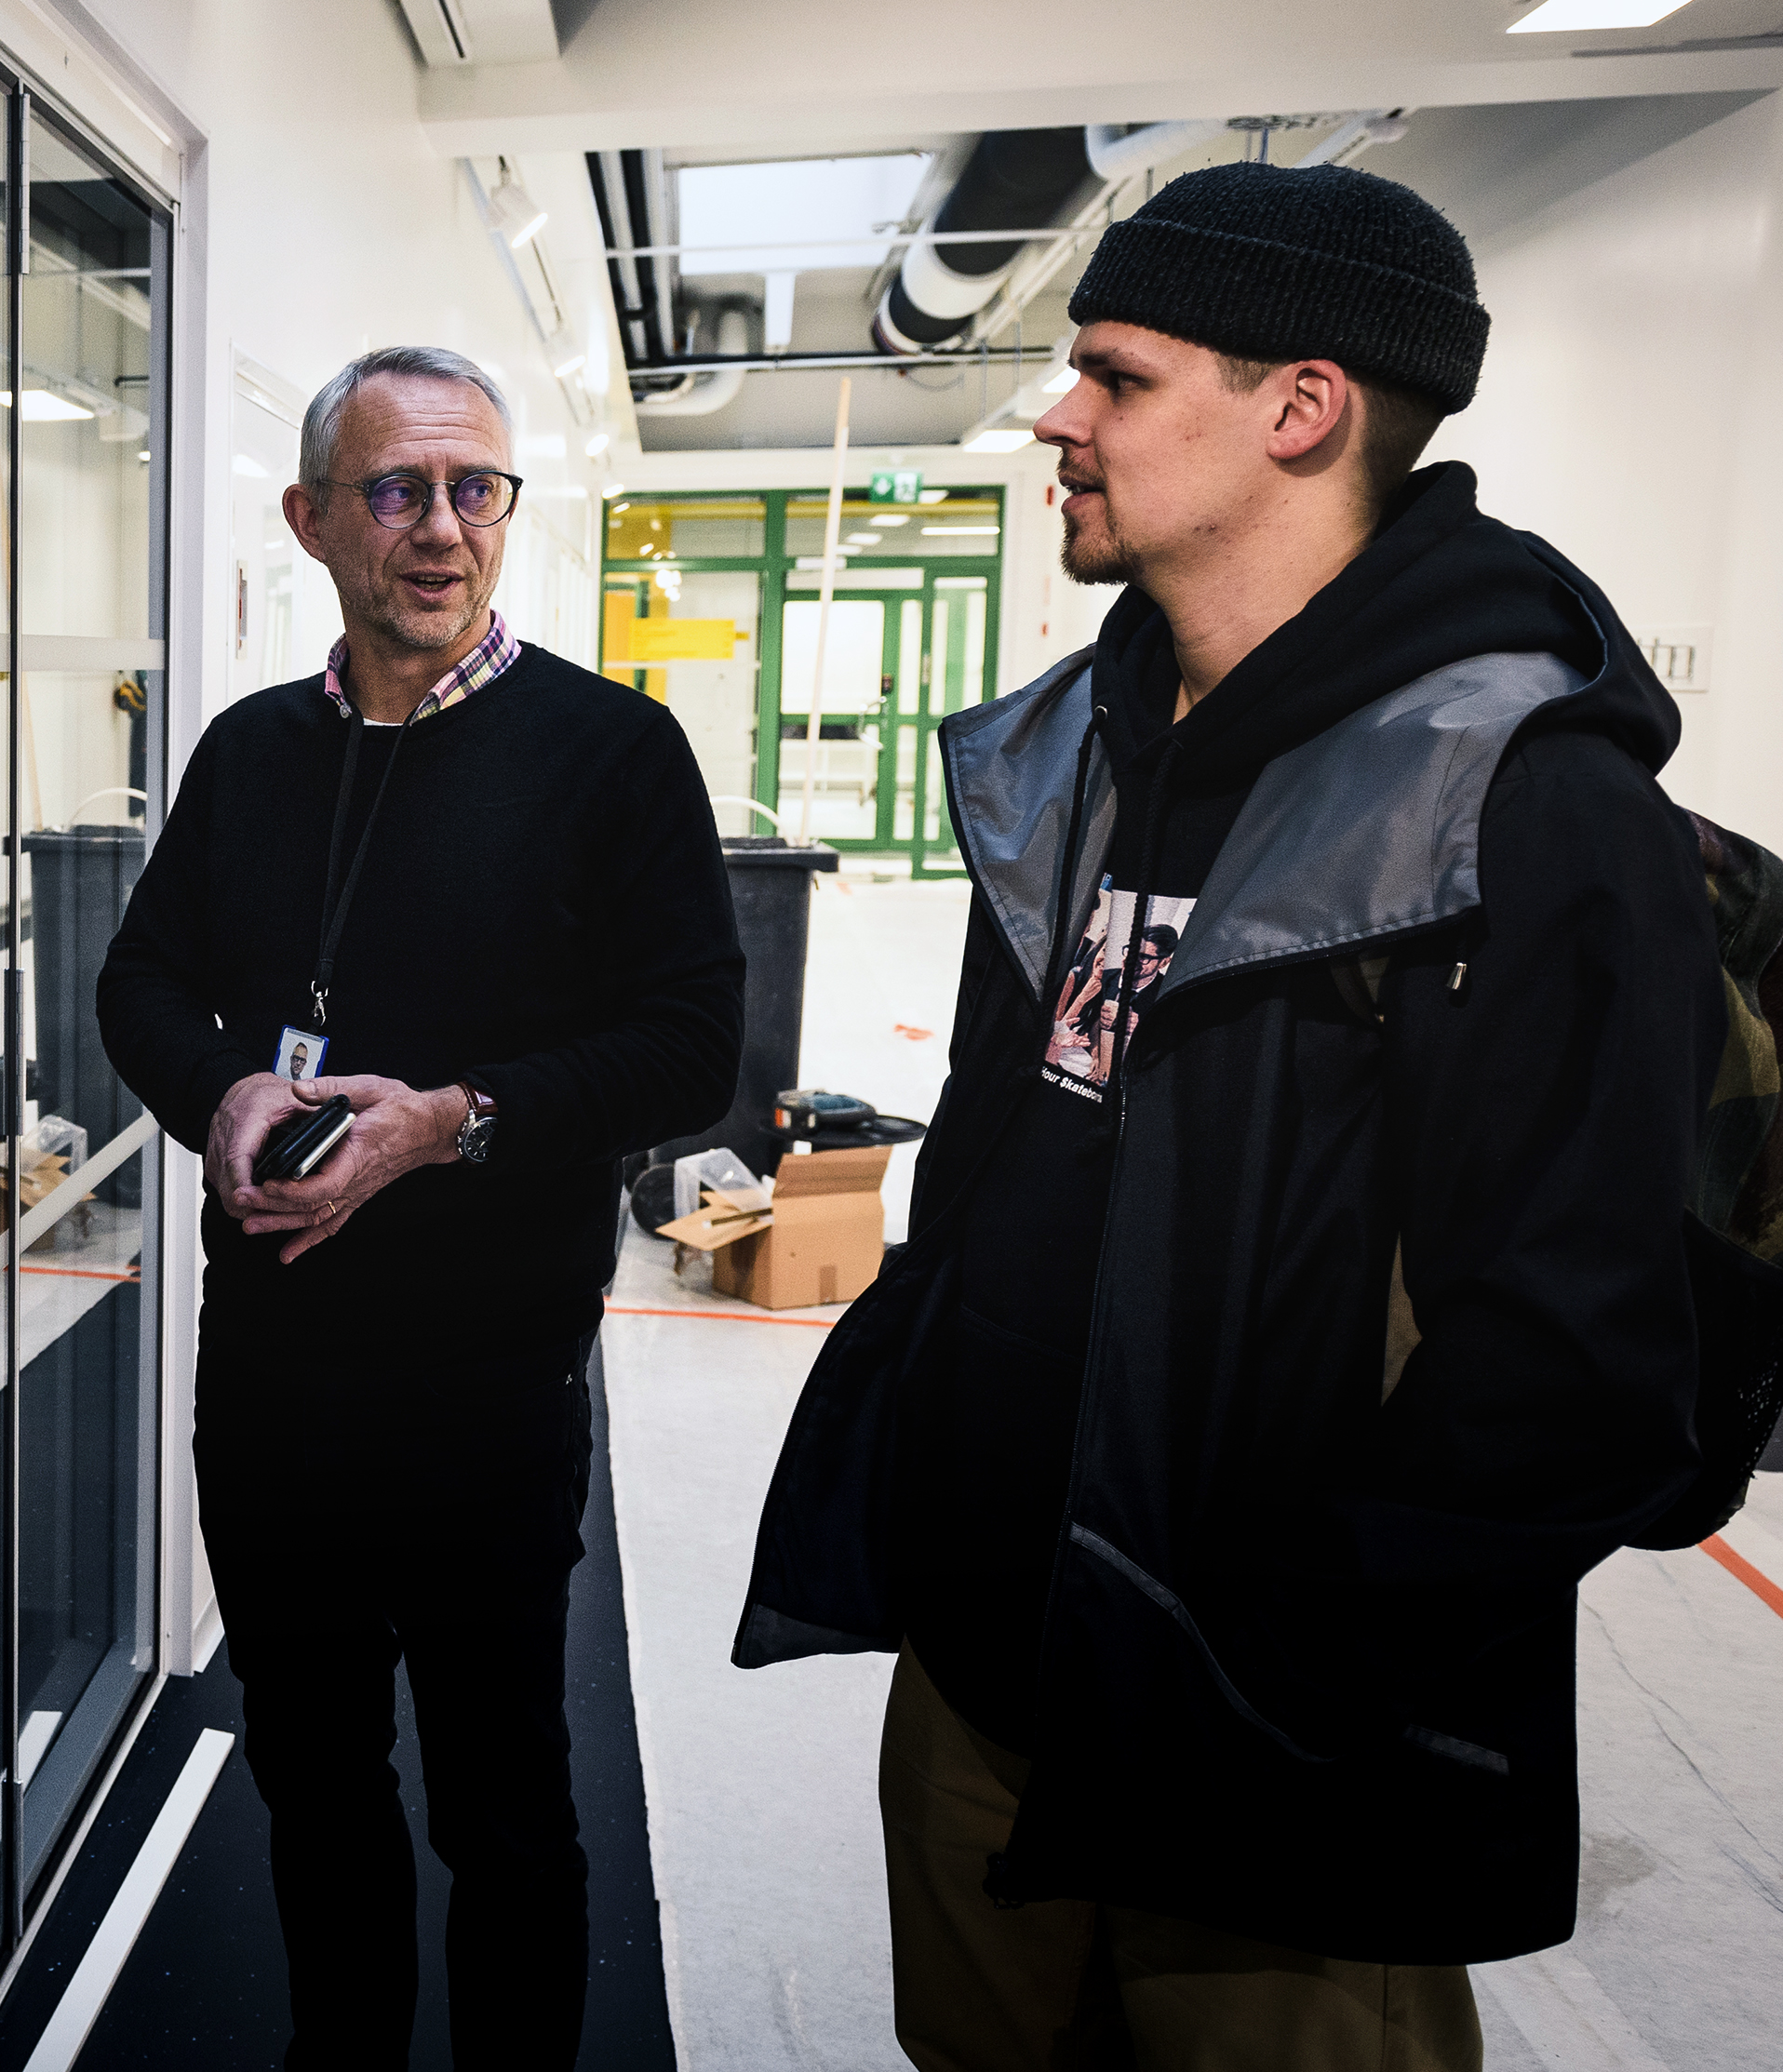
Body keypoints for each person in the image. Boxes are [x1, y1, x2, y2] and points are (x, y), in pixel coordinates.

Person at [736, 162, 1720, 2072]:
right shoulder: (1075, 758)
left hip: (1261, 1752)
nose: (1059, 412)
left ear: (1300, 408)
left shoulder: (1528, 806)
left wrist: (1290, 1641)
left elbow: (1587, 1372)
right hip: (985, 1686)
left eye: (1114, 372)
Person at [98, 343, 744, 2066]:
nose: (443, 530)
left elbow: (692, 1049)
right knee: (312, 1785)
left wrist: (453, 1124)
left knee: (503, 1806)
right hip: (275, 1393)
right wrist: (218, 1089)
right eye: (397, 490)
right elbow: (139, 982)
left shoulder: (614, 755)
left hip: (486, 1397)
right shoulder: (249, 755)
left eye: (476, 489)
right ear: (313, 521)